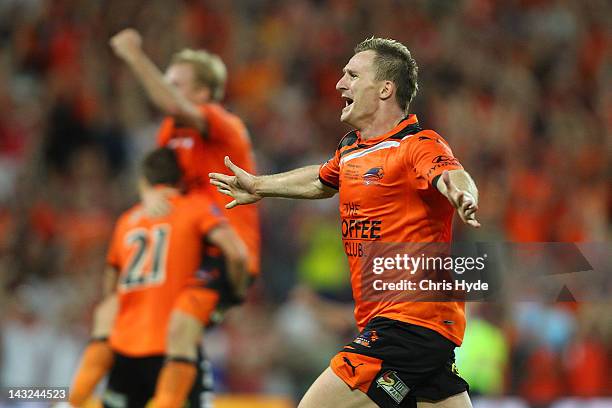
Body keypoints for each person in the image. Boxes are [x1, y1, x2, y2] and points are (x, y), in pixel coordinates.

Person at [210, 38, 480, 408]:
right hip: (416, 330)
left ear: (385, 89)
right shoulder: (353, 150)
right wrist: (259, 185)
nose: (340, 85)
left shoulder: (416, 144)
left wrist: (463, 195)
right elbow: (322, 179)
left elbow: (452, 174)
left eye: (353, 75)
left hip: (407, 322)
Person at [69, 148, 249, 408]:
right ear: (181, 179)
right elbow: (237, 253)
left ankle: (71, 402)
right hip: (174, 349)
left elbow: (111, 285)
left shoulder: (127, 220)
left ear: (144, 181)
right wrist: (235, 292)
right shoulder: (194, 208)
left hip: (125, 347)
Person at [109, 28, 260, 277]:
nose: (164, 89)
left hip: (228, 250)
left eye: (175, 85)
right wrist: (149, 193)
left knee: (181, 317)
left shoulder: (225, 124)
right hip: (190, 247)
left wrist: (135, 55)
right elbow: (155, 170)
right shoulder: (171, 128)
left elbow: (172, 104)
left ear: (202, 94)